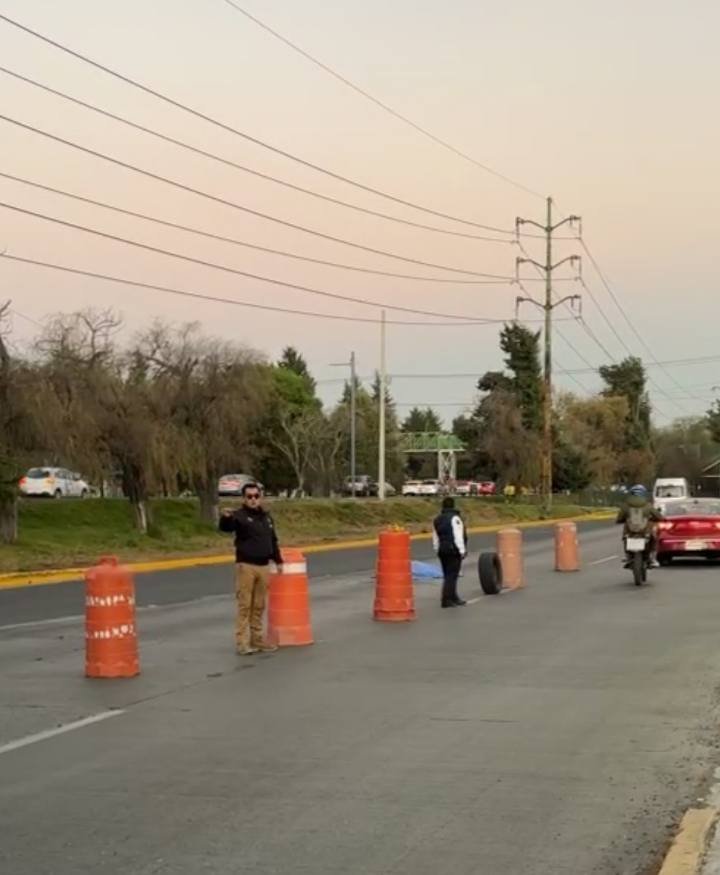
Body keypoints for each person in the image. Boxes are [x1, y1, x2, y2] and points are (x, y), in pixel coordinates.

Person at [219, 483, 282, 655]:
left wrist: (278, 560)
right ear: (244, 498)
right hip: (246, 566)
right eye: (249, 496)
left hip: (264, 566)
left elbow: (273, 540)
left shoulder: (266, 518)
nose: (253, 499)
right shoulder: (239, 516)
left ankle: (257, 639)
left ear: (261, 497)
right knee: (245, 605)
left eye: (256, 496)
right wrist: (225, 518)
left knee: (259, 605)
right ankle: (242, 642)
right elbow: (226, 528)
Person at [616, 484, 664, 568]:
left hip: (630, 532)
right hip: (644, 531)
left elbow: (619, 518)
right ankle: (652, 558)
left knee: (625, 537)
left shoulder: (625, 506)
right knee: (654, 538)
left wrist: (622, 520)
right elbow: (659, 516)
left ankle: (627, 556)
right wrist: (656, 519)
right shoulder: (648, 505)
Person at [432, 496, 468, 608]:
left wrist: (437, 549)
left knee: (448, 574)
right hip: (453, 549)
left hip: (442, 550)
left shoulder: (437, 519)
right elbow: (458, 535)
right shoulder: (455, 518)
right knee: (452, 575)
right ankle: (446, 599)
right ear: (453, 505)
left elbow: (435, 537)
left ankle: (454, 597)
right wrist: (462, 550)